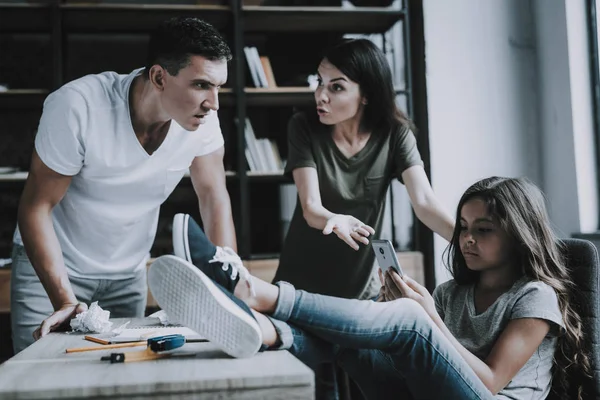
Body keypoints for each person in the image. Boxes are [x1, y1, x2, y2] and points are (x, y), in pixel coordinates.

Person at [148, 176, 591, 400]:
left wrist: (426, 319)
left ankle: (260, 294)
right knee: (355, 342)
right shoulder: (454, 292)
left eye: (485, 229)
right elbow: (432, 366)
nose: (467, 238)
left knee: (414, 320)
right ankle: (267, 331)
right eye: (462, 227)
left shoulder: (536, 295)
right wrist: (382, 323)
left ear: (518, 235)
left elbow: (491, 382)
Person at [10, 16, 237, 354]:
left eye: (218, 87)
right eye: (201, 85)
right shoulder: (79, 106)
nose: (214, 102)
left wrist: (227, 288)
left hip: (128, 273)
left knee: (118, 381)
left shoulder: (204, 119)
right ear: (160, 76)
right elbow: (36, 207)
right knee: (39, 383)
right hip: (53, 272)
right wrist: (64, 300)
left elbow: (213, 196)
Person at [274, 38, 454, 301]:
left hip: (361, 291)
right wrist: (335, 221)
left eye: (336, 87)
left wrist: (464, 242)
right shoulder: (302, 126)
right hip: (300, 287)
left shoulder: (395, 134)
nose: (321, 95)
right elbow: (311, 207)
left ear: (367, 94)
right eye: (320, 82)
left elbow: (424, 201)